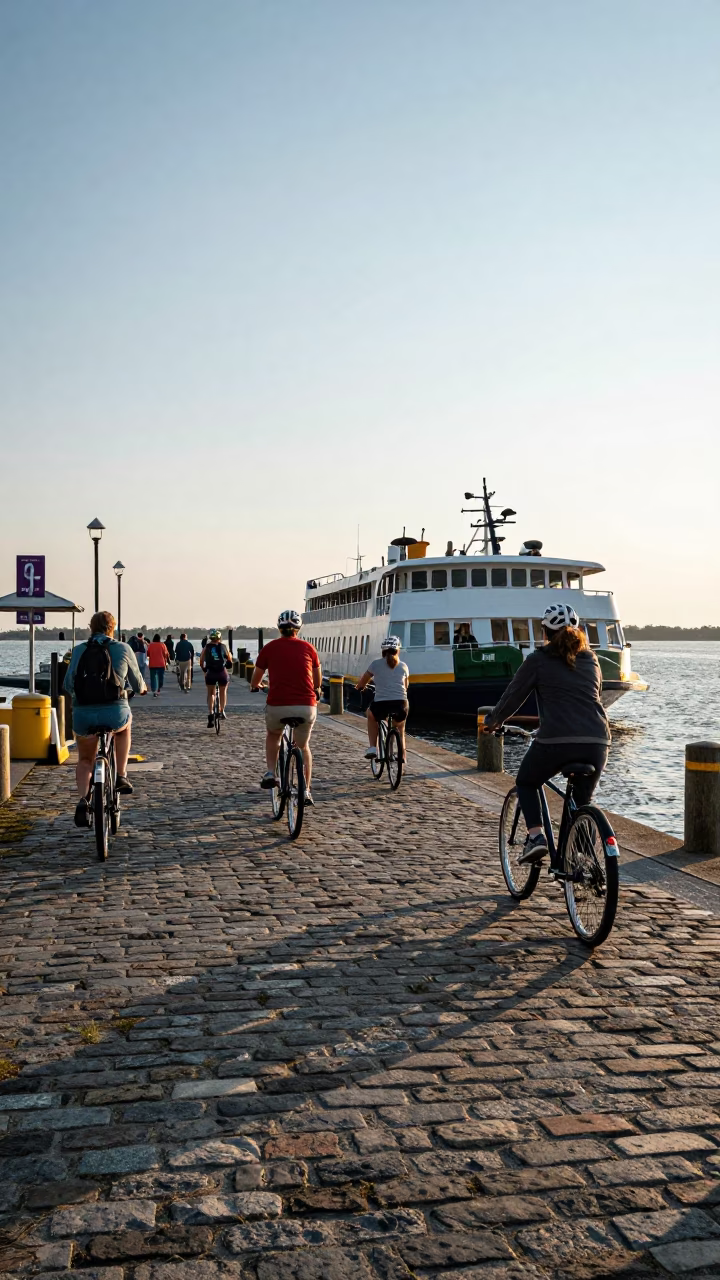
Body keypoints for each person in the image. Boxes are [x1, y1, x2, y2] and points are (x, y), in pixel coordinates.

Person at [483, 602, 611, 865]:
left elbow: (512, 698)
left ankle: (536, 838)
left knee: (527, 781)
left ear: (545, 632)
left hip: (556, 740)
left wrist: (494, 721)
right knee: (582, 800)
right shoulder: (592, 660)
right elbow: (591, 697)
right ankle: (582, 859)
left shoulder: (538, 661)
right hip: (598, 741)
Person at [63, 610, 147, 827]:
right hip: (114, 711)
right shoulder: (122, 648)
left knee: (84, 760)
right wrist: (143, 688)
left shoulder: (80, 650)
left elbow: (67, 684)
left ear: (91, 628)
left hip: (84, 715)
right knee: (124, 728)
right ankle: (121, 775)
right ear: (113, 628)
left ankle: (83, 800)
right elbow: (138, 684)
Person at [250, 610, 321, 805]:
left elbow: (255, 679)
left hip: (278, 705)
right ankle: (306, 790)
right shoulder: (309, 648)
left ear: (279, 628)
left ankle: (271, 772)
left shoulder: (269, 648)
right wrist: (316, 689)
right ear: (298, 629)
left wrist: (257, 686)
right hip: (306, 706)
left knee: (274, 735)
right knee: (303, 746)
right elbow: (317, 681)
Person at [356, 636, 410, 764]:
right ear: (398, 651)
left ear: (383, 651)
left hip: (381, 705)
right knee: (400, 728)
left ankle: (373, 748)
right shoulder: (404, 666)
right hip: (401, 704)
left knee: (371, 715)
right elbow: (406, 687)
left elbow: (363, 681)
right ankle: (402, 755)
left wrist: (359, 687)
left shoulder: (375, 664)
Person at [200, 630, 232, 726]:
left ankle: (211, 714)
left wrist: (204, 670)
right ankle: (222, 711)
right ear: (219, 638)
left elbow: (201, 661)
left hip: (211, 673)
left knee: (211, 693)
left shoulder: (206, 647)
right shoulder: (223, 646)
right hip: (221, 672)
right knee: (223, 691)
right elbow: (229, 660)